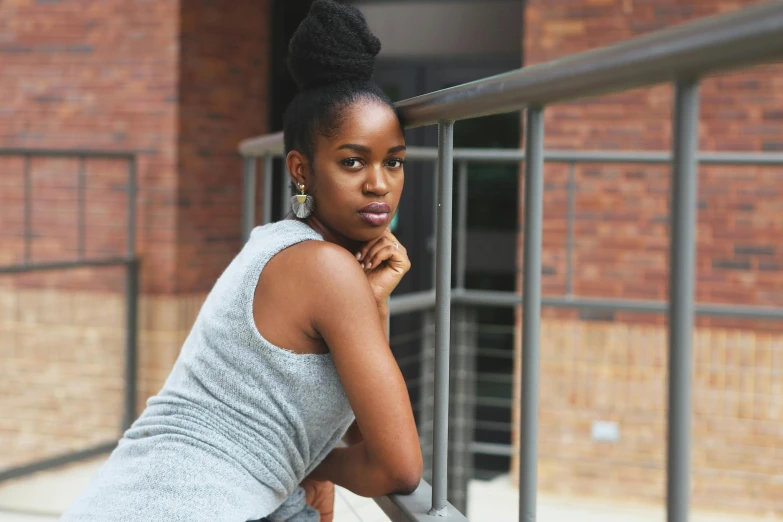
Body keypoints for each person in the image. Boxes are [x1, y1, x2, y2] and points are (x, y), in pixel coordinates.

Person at [60, 1, 422, 521]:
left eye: (394, 162)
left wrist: (372, 304)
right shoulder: (326, 268)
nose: (379, 183)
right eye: (352, 161)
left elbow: (367, 425)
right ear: (301, 170)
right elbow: (400, 468)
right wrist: (318, 466)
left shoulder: (274, 243)